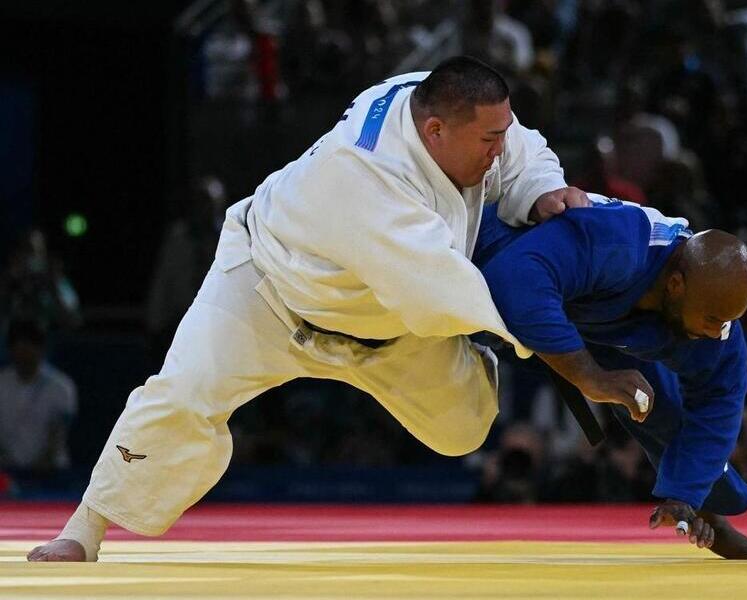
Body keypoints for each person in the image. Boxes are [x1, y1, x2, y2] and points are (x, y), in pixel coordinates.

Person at [28, 55, 588, 562]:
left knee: (463, 430)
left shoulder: (448, 108)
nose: (498, 151)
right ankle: (83, 529)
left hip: (385, 327)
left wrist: (542, 186)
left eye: (499, 136)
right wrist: (555, 345)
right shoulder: (363, 171)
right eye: (488, 140)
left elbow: (520, 146)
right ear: (434, 131)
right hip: (269, 292)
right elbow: (437, 285)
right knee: (181, 391)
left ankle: (470, 353)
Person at [472, 196, 747, 559]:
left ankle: (709, 514)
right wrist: (589, 376)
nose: (718, 331)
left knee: (657, 406)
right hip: (489, 259)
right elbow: (515, 278)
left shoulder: (717, 323)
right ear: (676, 284)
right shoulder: (619, 243)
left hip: (597, 316)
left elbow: (718, 408)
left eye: (729, 320)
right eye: (713, 319)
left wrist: (684, 495)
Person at [0, 319, 77, 471]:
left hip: (49, 474)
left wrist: (43, 464)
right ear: (10, 349)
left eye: (29, 346)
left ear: (41, 348)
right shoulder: (2, 382)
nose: (23, 353)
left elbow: (58, 434)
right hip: (6, 470)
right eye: (18, 347)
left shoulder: (61, 387)